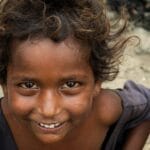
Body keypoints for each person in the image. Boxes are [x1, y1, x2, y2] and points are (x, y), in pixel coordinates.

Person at [0, 0, 149, 149]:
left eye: (70, 84)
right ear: (4, 84)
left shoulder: (104, 111)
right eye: (28, 85)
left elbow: (146, 106)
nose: (49, 110)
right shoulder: (4, 124)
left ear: (97, 82)